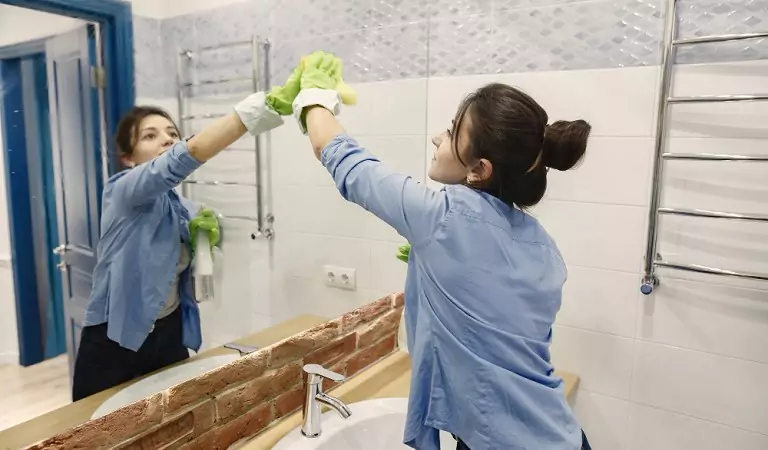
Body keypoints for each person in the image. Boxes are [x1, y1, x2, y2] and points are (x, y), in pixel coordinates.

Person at [292, 51, 592, 450]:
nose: (437, 137)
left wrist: (313, 95)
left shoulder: (443, 218)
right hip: (560, 434)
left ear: (479, 170)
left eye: (451, 132)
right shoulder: (544, 247)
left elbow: (343, 159)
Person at [71, 65, 304, 401]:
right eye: (150, 136)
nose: (167, 139)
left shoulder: (181, 205)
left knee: (175, 418)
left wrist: (206, 235)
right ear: (128, 158)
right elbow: (185, 156)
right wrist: (254, 110)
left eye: (170, 133)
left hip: (169, 331)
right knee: (95, 430)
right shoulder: (122, 191)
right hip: (114, 337)